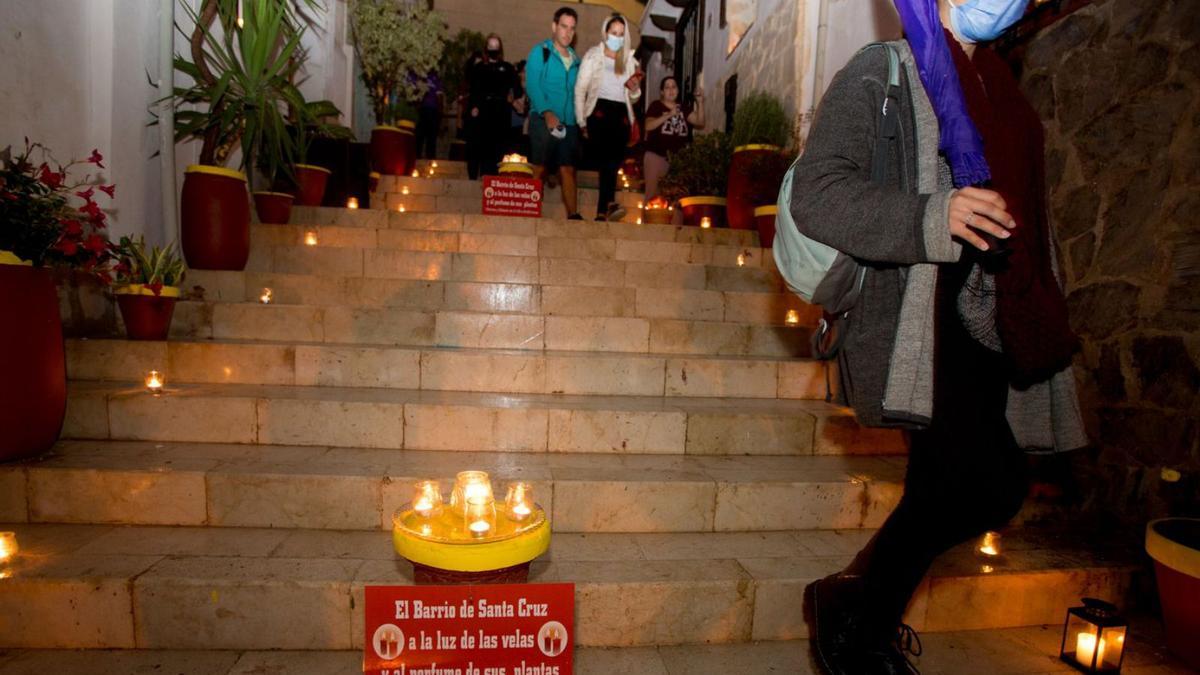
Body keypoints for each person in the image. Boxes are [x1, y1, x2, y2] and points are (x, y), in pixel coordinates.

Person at [789, 0, 1087, 673]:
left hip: (991, 313)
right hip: (920, 314)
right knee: (990, 482)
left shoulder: (1000, 84)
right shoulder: (883, 69)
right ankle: (857, 618)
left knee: (943, 487)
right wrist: (933, 214)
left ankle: (855, 609)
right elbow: (816, 192)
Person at [574, 13, 643, 221]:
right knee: (606, 159)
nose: (617, 37)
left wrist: (634, 89)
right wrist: (581, 120)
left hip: (621, 113)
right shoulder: (593, 55)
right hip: (599, 111)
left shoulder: (629, 60)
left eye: (621, 34)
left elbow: (635, 97)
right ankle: (608, 204)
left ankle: (603, 212)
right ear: (605, 32)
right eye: (614, 33)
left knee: (613, 162)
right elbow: (580, 89)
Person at [525, 7, 583, 220]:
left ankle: (573, 215)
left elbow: (580, 92)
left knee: (568, 168)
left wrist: (581, 120)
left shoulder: (577, 61)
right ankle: (530, 212)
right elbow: (532, 85)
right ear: (554, 27)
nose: (568, 32)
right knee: (539, 168)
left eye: (572, 28)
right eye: (563, 26)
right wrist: (548, 112)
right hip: (542, 119)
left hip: (569, 123)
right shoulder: (540, 52)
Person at [642, 75, 704, 201]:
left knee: (678, 199)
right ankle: (650, 221)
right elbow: (648, 126)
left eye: (674, 87)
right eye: (667, 87)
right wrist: (669, 115)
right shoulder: (656, 106)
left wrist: (700, 102)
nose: (671, 90)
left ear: (678, 90)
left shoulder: (684, 109)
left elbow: (700, 122)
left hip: (677, 161)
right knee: (653, 197)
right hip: (656, 156)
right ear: (662, 92)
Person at [467, 35, 518, 179]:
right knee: (482, 145)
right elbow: (474, 89)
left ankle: (495, 177)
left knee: (499, 147)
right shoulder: (479, 68)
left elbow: (517, 88)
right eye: (491, 47)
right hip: (484, 111)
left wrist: (512, 97)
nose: (493, 50)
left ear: (500, 49)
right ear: (486, 49)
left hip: (501, 112)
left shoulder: (507, 68)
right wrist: (475, 106)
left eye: (496, 47)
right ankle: (481, 174)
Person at [414, 69, 443, 160]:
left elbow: (439, 97)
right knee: (420, 137)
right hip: (423, 110)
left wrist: (440, 113)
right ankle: (417, 158)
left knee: (431, 138)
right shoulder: (420, 77)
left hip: (433, 111)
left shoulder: (436, 78)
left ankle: (430, 160)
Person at [509, 60, 531, 157]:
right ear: (519, 73)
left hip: (528, 128)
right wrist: (514, 102)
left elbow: (525, 109)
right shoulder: (514, 88)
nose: (526, 74)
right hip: (516, 127)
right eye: (524, 71)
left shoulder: (532, 88)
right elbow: (520, 109)